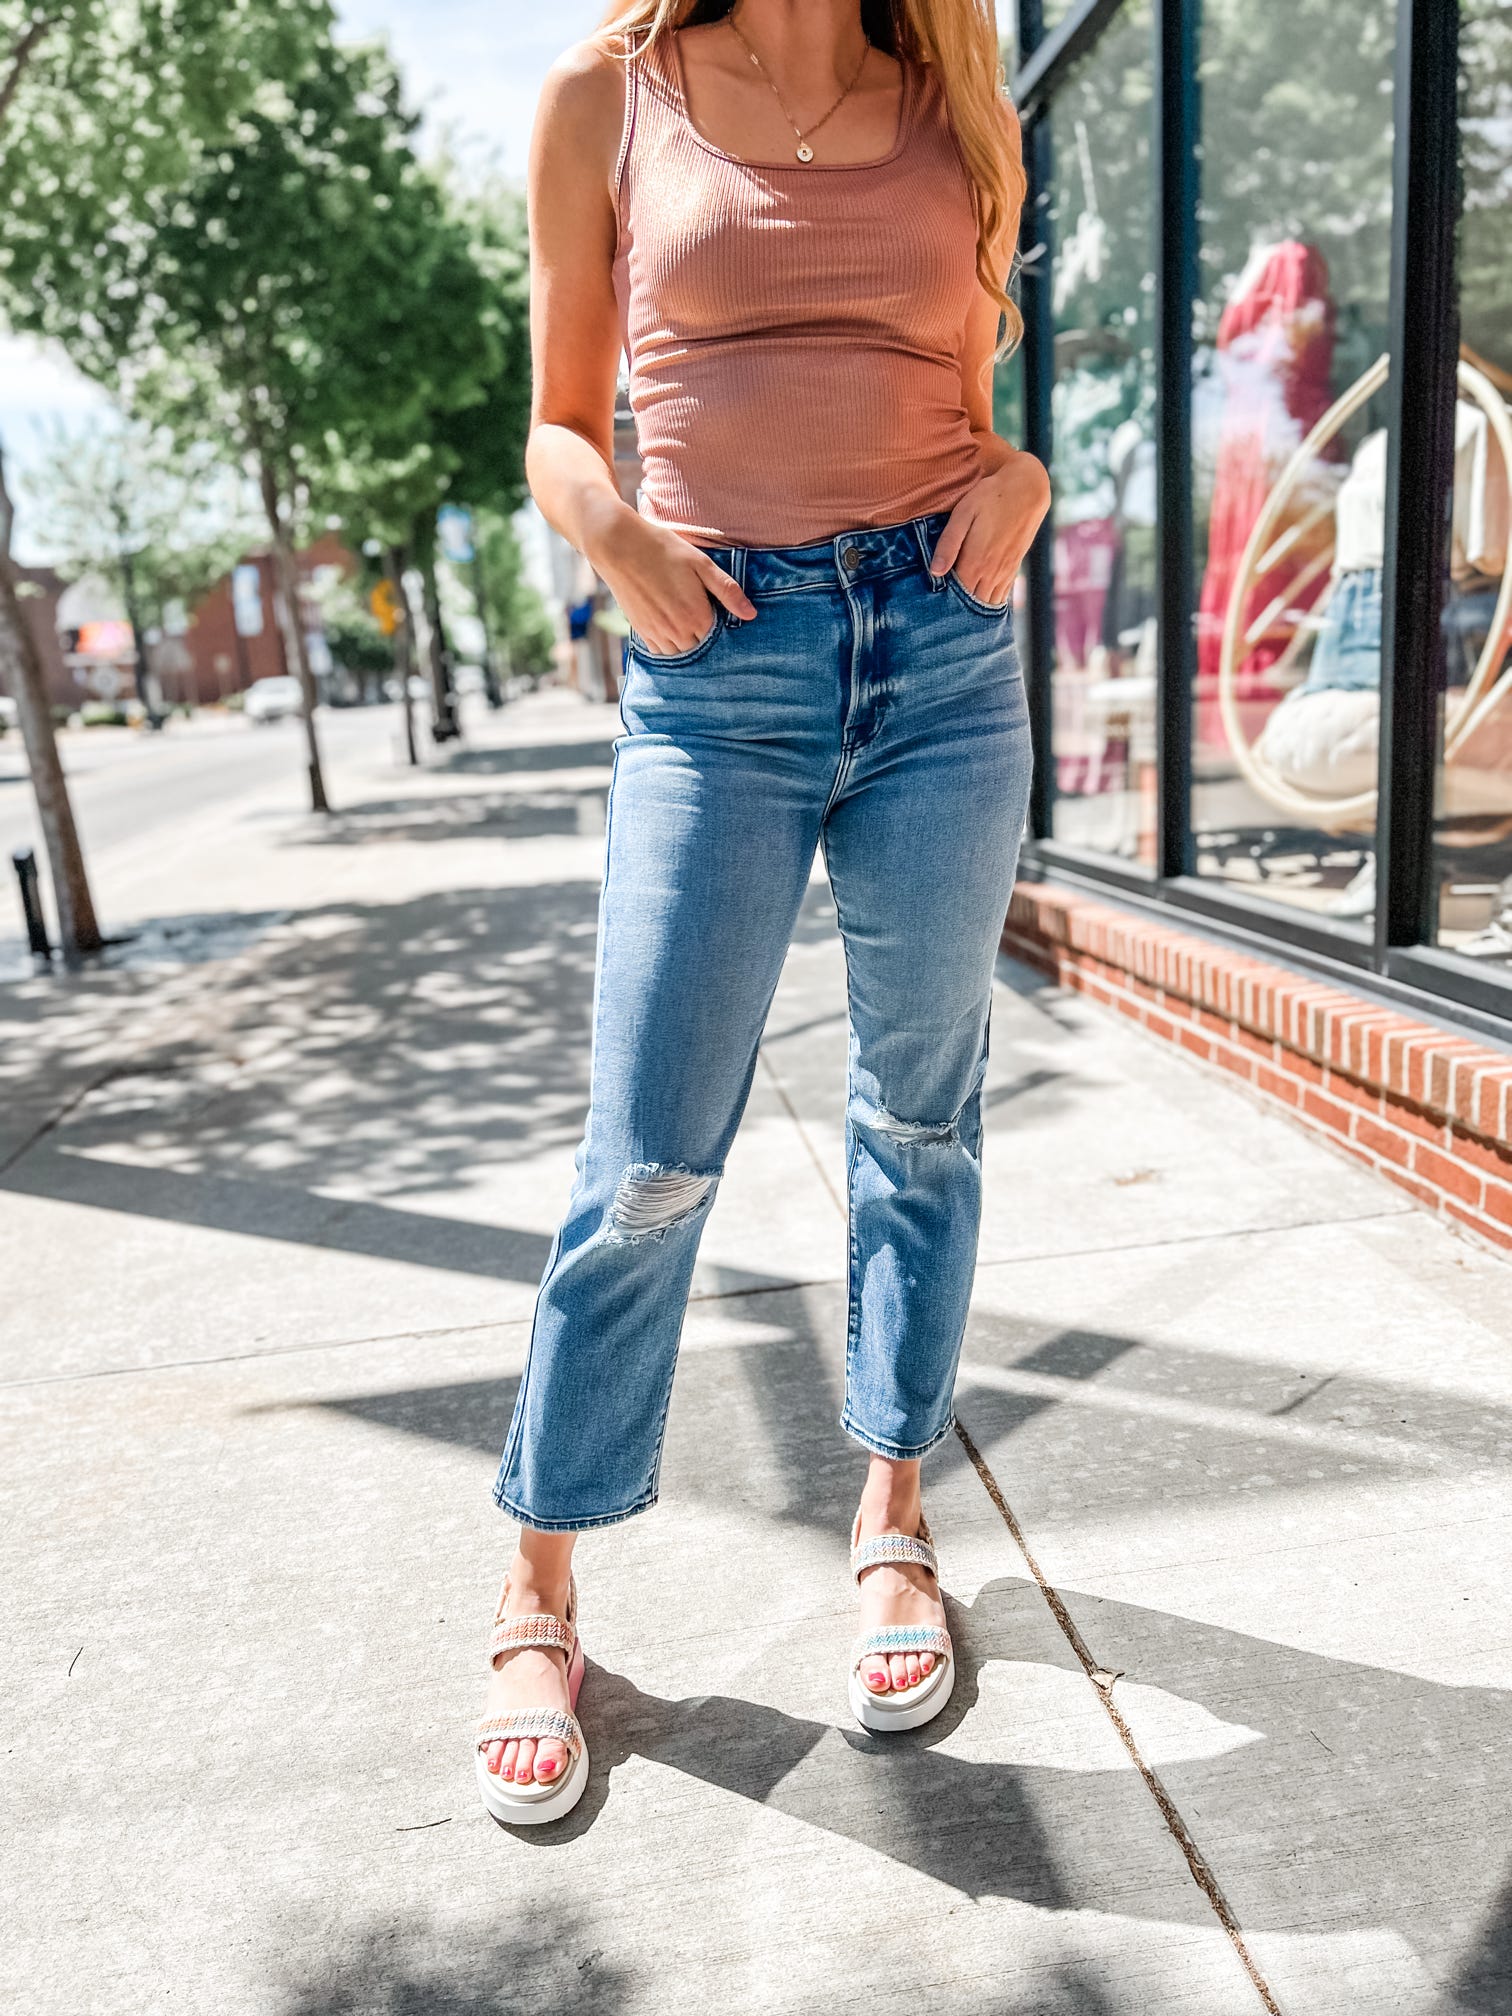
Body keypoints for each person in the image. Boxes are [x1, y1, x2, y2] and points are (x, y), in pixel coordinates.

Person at [476, 0, 1051, 1825]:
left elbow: (973, 410)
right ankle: (539, 1593)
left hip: (943, 662)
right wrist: (620, 543)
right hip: (712, 668)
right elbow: (562, 426)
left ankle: (891, 1520)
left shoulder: (956, 91)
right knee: (645, 1159)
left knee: (920, 1115)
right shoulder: (607, 96)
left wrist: (1024, 477)